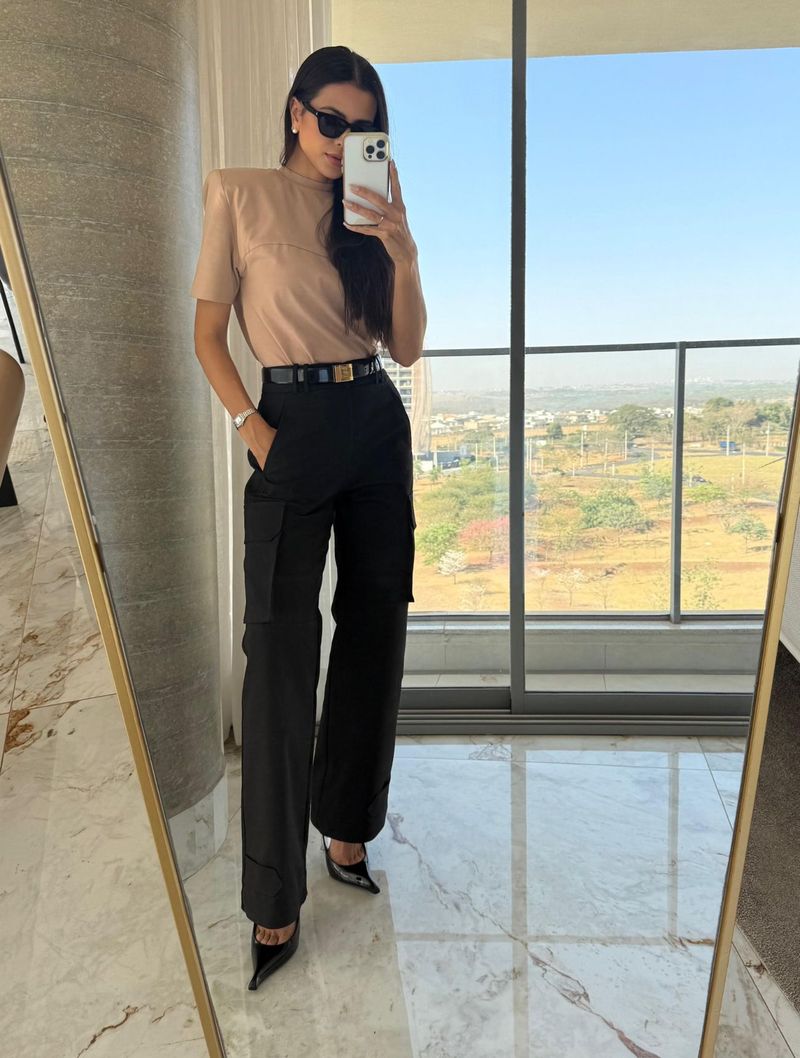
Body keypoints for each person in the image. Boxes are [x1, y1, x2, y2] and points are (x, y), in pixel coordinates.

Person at [190, 45, 427, 989]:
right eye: (331, 121)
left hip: (373, 419)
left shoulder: (369, 212)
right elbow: (208, 333)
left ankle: (347, 829)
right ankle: (271, 897)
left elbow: (407, 345)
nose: (343, 140)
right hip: (289, 424)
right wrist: (251, 428)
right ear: (295, 113)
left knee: (375, 629)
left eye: (363, 129)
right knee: (281, 656)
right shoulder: (238, 194)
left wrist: (403, 252)